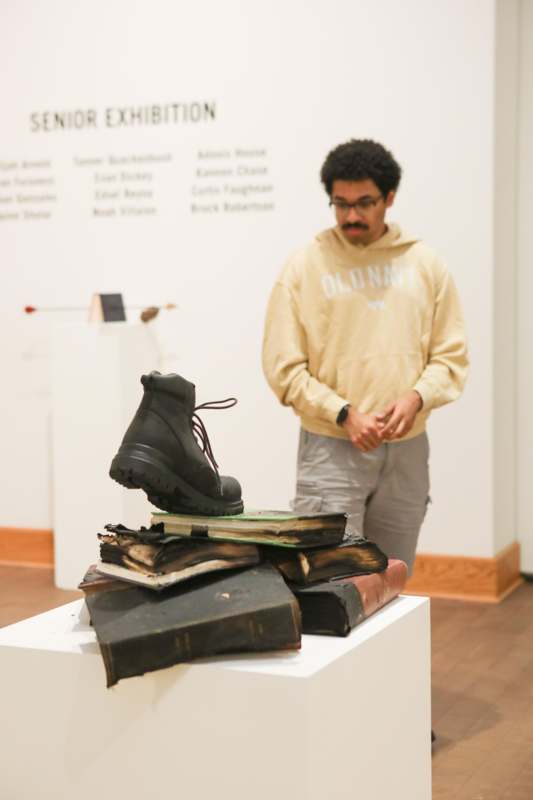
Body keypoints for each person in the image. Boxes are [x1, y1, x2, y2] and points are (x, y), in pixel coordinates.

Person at [262, 138, 468, 574]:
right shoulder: (304, 268)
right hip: (331, 449)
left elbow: (450, 356)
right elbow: (283, 368)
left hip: (407, 450)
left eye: (364, 203)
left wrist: (415, 398)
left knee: (393, 578)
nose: (351, 216)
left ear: (389, 198)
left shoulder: (425, 266)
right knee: (329, 582)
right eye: (340, 204)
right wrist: (343, 413)